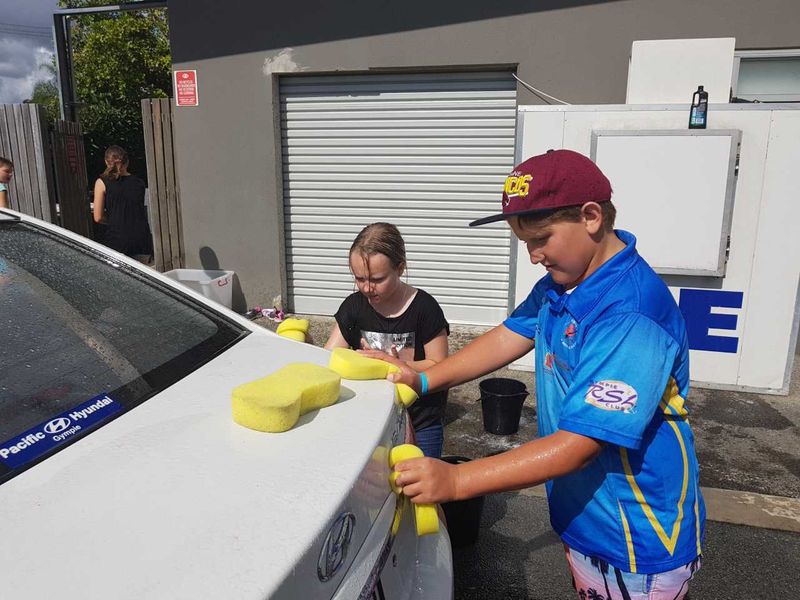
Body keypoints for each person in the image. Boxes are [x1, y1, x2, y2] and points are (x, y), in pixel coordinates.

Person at [389, 150, 704, 599]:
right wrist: (421, 379)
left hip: (637, 535)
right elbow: (509, 336)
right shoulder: (563, 285)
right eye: (525, 242)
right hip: (587, 516)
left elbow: (579, 445)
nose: (534, 256)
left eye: (541, 238)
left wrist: (457, 480)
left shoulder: (630, 314)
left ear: (591, 217)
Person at [324, 222, 450, 458]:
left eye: (377, 279)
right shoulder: (353, 307)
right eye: (359, 278)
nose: (367, 288)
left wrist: (397, 364)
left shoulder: (425, 309)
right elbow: (329, 359)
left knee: (421, 480)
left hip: (422, 421)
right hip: (369, 419)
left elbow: (441, 367)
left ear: (400, 268)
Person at [93, 146, 154, 263]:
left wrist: (114, 220)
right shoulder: (139, 183)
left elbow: (98, 217)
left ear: (106, 162)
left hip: (117, 239)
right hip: (141, 239)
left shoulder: (102, 182)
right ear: (127, 162)